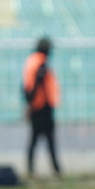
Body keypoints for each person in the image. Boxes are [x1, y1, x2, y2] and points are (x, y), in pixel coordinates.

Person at [22, 37, 61, 178]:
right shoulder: (40, 63)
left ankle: (31, 169)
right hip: (41, 107)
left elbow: (26, 86)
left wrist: (28, 103)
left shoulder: (31, 61)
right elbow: (37, 84)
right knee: (47, 140)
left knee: (35, 140)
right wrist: (31, 104)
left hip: (36, 106)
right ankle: (56, 170)